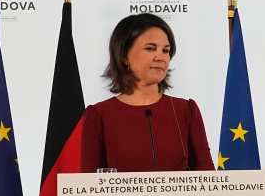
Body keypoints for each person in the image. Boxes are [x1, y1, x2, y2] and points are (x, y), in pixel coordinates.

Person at [80, 13, 213, 172]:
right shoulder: (99, 115)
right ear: (124, 56)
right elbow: (88, 187)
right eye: (150, 48)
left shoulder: (186, 110)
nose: (161, 57)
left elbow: (207, 178)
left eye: (166, 50)